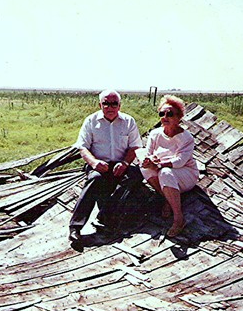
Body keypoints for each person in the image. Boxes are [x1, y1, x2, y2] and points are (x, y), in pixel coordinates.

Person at [69, 89, 143, 245]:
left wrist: (124, 163)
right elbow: (83, 147)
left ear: (119, 105)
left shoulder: (129, 121)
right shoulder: (91, 121)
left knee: (137, 175)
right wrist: (94, 163)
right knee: (95, 179)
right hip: (99, 164)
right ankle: (75, 227)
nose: (110, 107)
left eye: (114, 103)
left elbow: (135, 147)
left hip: (119, 164)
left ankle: (104, 216)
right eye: (106, 103)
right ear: (100, 105)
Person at [140, 95, 199, 237]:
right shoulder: (155, 134)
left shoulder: (186, 138)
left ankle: (179, 218)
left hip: (184, 173)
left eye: (170, 114)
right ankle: (168, 198)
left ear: (179, 117)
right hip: (161, 170)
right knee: (144, 168)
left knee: (165, 173)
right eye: (162, 113)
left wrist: (159, 164)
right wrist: (148, 160)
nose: (165, 117)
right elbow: (148, 153)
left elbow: (180, 161)